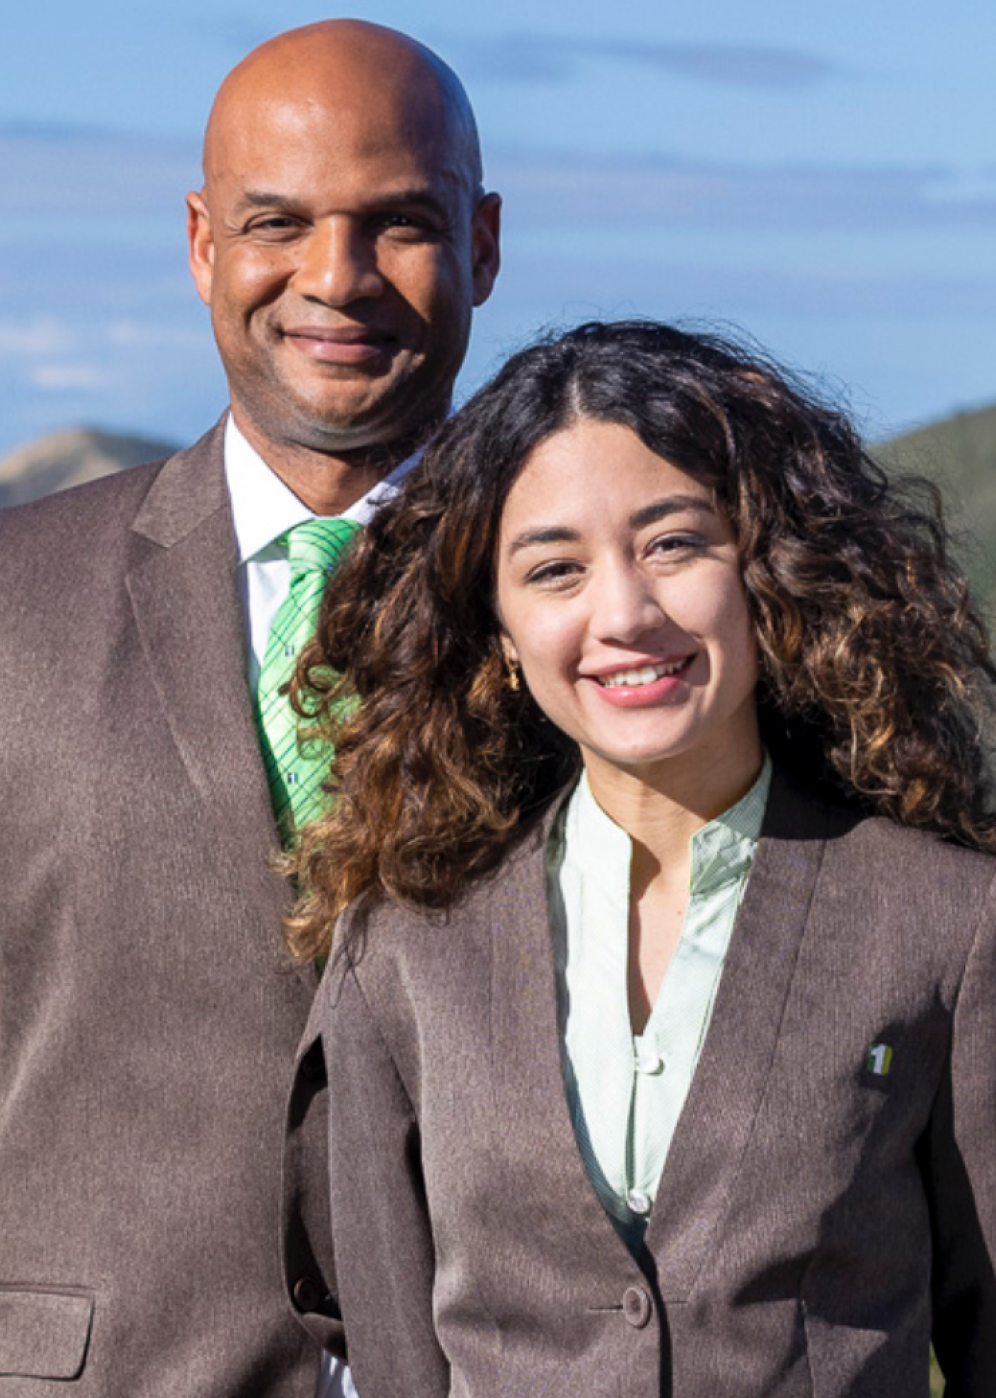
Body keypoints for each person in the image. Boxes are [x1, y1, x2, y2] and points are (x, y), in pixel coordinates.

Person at [282, 320, 996, 1397]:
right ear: (501, 635)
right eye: (555, 569)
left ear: (768, 573)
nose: (623, 613)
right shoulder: (402, 954)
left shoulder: (948, 924)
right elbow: (392, 1358)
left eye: (673, 543)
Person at [0, 19, 499, 1398]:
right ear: (202, 242)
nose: (334, 280)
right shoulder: (9, 600)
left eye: (398, 223)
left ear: (487, 244)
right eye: (278, 223)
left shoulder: (597, 628)